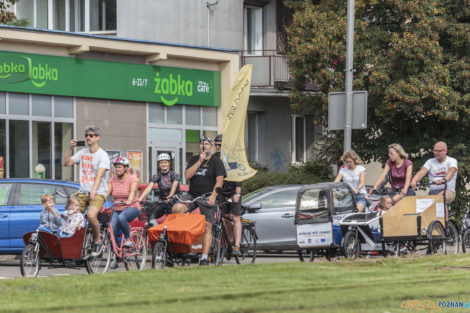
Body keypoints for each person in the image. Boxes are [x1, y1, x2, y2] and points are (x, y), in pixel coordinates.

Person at [173, 136, 226, 266]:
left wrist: (213, 196)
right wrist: (199, 161)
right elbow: (187, 176)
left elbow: (220, 181)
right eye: (202, 143)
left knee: (207, 226)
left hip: (207, 196)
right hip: (192, 195)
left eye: (207, 144)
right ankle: (181, 247)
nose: (204, 146)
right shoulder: (194, 159)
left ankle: (204, 256)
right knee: (177, 209)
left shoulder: (216, 161)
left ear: (211, 147)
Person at [62, 126, 110, 257]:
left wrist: (93, 190)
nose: (88, 137)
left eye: (91, 135)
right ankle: (74, 247)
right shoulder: (83, 152)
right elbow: (66, 163)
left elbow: (99, 176)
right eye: (86, 135)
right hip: (83, 192)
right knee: (71, 215)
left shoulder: (103, 155)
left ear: (97, 138)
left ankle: (97, 239)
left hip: (98, 192)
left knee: (90, 216)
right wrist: (70, 148)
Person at [106, 156, 141, 269]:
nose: (117, 169)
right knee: (111, 231)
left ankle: (128, 239)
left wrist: (129, 200)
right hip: (117, 208)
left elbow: (132, 192)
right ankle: (117, 256)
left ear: (125, 168)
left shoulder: (132, 178)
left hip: (132, 207)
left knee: (122, 218)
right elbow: (107, 193)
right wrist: (99, 201)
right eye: (116, 167)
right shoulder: (112, 180)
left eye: (119, 167)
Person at [213, 134, 243, 255]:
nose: (217, 147)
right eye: (216, 145)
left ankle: (237, 245)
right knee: (225, 218)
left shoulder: (232, 157)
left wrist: (238, 192)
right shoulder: (215, 157)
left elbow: (238, 175)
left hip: (233, 190)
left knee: (235, 217)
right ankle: (229, 241)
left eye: (219, 145)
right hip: (221, 190)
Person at [138, 153, 180, 226]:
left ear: (169, 163)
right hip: (162, 202)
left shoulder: (174, 175)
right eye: (161, 162)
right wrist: (141, 197)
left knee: (171, 222)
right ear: (159, 164)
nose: (163, 164)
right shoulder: (157, 176)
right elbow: (149, 187)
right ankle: (156, 231)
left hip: (173, 202)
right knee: (151, 215)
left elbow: (174, 185)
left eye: (165, 162)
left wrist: (170, 195)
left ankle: (168, 233)